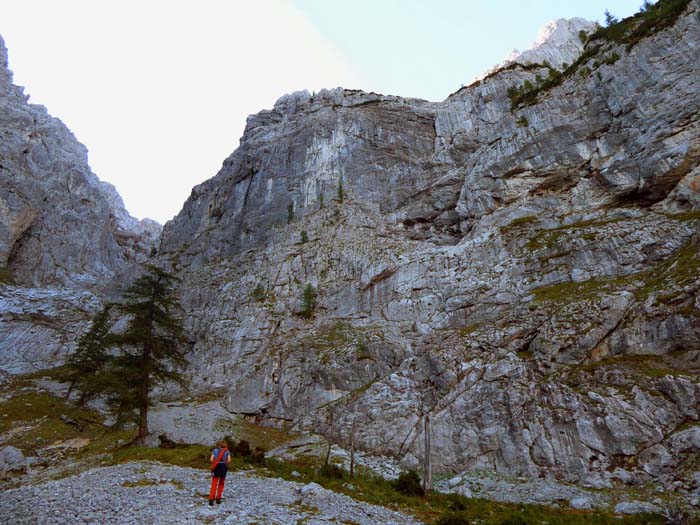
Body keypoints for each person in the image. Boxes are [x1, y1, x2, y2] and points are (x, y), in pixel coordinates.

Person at [209, 440, 231, 506]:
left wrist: (214, 463)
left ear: (219, 445)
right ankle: (218, 498)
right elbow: (229, 460)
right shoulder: (227, 451)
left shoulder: (215, 450)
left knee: (214, 483)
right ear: (226, 446)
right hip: (223, 467)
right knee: (221, 483)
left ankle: (211, 499)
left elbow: (211, 459)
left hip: (216, 467)